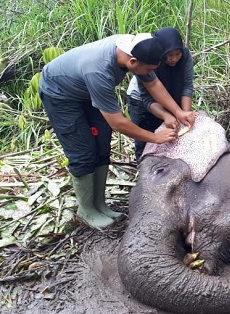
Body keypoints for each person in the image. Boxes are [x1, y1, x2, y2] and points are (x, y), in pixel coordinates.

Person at [39, 33, 196, 229]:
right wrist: (155, 138)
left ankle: (100, 204)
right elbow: (118, 123)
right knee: (83, 151)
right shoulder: (99, 71)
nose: (148, 73)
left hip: (88, 93)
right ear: (132, 62)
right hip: (61, 95)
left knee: (101, 145)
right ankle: (86, 210)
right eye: (147, 69)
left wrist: (179, 112)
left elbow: (154, 84)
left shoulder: (139, 46)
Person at [127, 27, 194, 162]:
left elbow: (187, 86)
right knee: (146, 140)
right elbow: (147, 99)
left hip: (168, 98)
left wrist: (184, 115)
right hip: (141, 101)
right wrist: (166, 115)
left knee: (169, 137)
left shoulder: (185, 56)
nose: (174, 59)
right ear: (161, 53)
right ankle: (143, 168)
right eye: (169, 55)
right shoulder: (149, 59)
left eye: (177, 54)